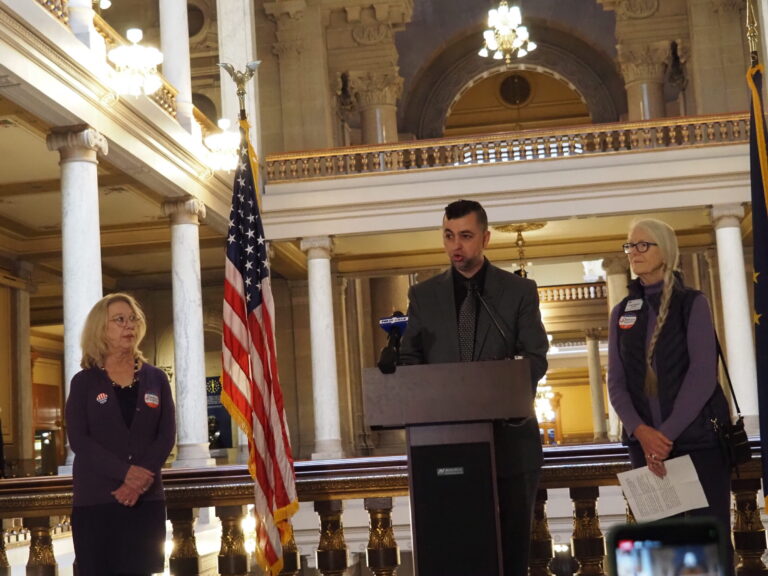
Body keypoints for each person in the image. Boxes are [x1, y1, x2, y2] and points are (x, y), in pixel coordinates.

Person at [399, 199, 549, 576]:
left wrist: (499, 391)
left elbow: (535, 357)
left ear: (485, 238)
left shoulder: (518, 290)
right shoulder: (423, 296)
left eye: (465, 236)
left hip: (511, 446)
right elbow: (410, 360)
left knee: (511, 556)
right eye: (448, 236)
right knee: (457, 555)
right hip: (445, 448)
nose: (456, 246)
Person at [607, 219, 732, 549]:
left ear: (665, 251)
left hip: (698, 445)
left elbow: (702, 376)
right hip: (645, 450)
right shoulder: (622, 311)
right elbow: (616, 383)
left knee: (708, 543)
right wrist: (643, 434)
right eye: (630, 245)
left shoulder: (692, 303)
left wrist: (664, 437)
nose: (633, 252)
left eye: (642, 245)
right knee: (661, 546)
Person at [66, 293, 176, 576]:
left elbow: (166, 435)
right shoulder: (84, 382)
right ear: (100, 329)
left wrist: (138, 482)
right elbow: (79, 439)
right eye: (119, 320)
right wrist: (126, 473)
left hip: (146, 500)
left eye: (133, 319)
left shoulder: (156, 378)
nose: (129, 325)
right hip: (96, 499)